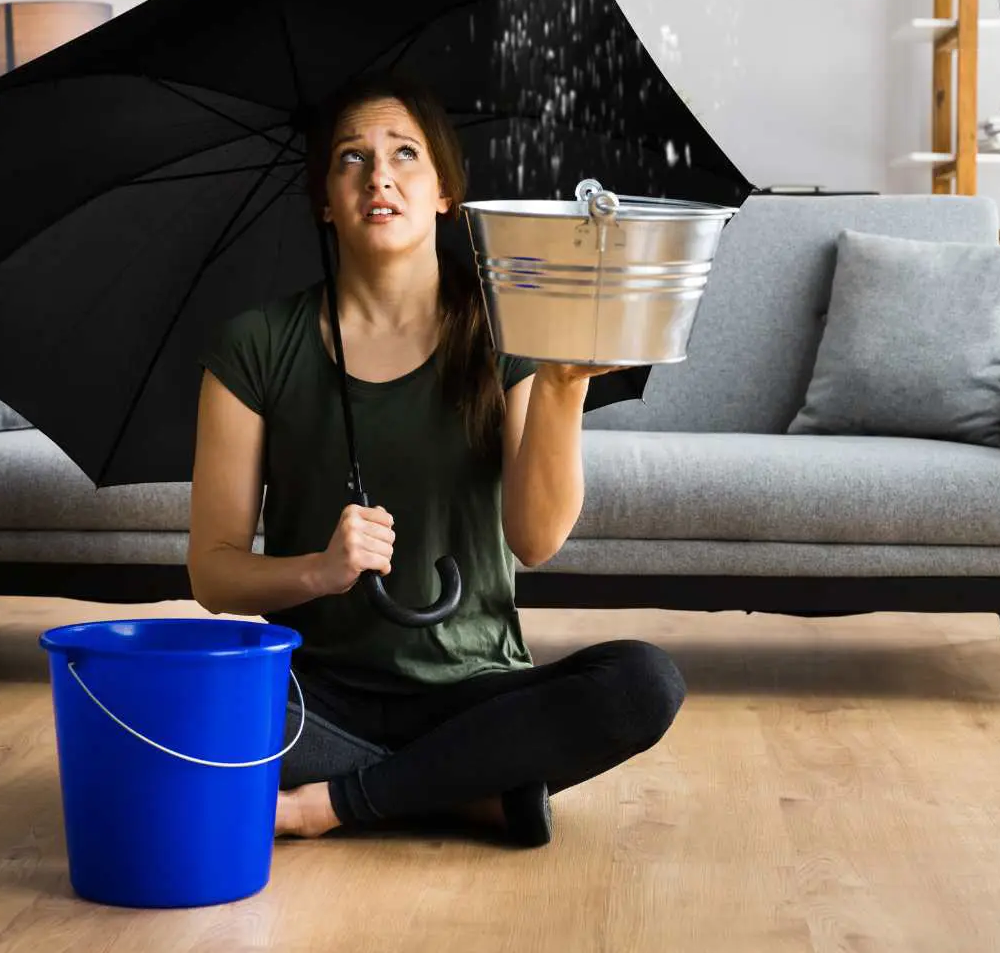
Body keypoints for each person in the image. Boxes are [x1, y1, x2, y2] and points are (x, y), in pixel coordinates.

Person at [187, 73, 685, 848]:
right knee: (182, 700)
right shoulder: (254, 344)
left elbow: (536, 539)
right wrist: (317, 570)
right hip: (312, 694)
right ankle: (462, 788)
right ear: (325, 199)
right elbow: (213, 574)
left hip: (476, 690)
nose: (377, 174)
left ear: (446, 192)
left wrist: (558, 385)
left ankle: (335, 803)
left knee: (643, 682)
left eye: (404, 154)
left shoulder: (509, 328)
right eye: (349, 158)